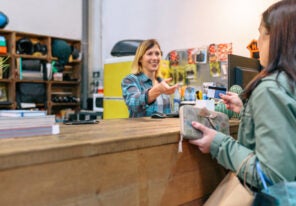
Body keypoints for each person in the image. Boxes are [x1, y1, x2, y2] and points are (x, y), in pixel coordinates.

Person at [189, 0, 296, 190]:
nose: (258, 41)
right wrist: (248, 110)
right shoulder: (288, 82)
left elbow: (273, 177)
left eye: (261, 33)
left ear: (277, 37)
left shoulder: (271, 89)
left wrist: (218, 144)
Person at [121, 39, 178, 118]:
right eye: (149, 54)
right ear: (140, 58)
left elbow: (167, 113)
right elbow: (133, 104)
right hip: (142, 130)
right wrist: (157, 90)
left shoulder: (162, 82)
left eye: (157, 54)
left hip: (164, 129)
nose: (154, 58)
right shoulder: (130, 80)